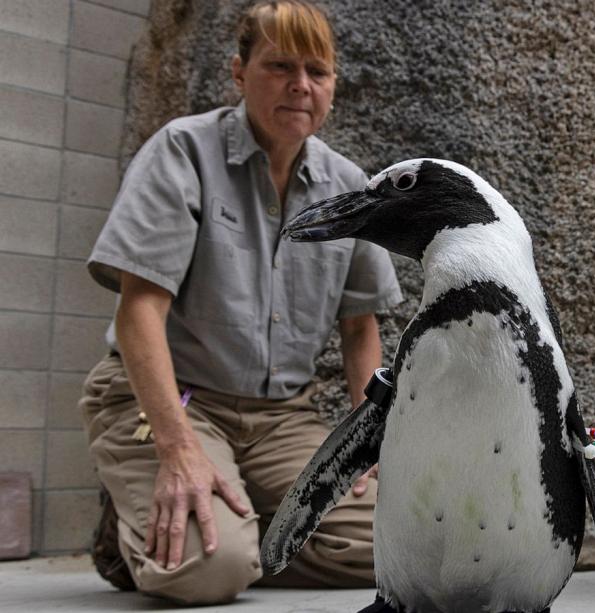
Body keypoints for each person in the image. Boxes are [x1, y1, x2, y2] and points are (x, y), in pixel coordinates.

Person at [80, 0, 403, 604]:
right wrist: (178, 449)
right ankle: (170, 532)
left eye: (317, 71)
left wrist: (368, 442)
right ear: (238, 72)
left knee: (398, 543)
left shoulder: (351, 188)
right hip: (175, 404)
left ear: (334, 85)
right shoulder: (182, 152)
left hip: (281, 420)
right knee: (208, 571)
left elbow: (361, 329)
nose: (300, 86)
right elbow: (138, 311)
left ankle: (236, 522)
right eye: (280, 65)